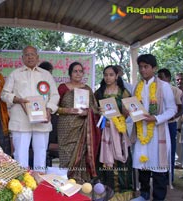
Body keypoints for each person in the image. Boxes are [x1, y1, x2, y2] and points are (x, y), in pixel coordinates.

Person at [1, 45, 59, 172]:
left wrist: (49, 110)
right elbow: (4, 94)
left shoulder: (46, 75)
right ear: (22, 58)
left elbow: (54, 95)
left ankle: (39, 185)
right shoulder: (15, 74)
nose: (30, 57)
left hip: (42, 120)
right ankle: (21, 187)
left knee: (41, 154)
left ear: (37, 57)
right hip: (21, 120)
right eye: (27, 54)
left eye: (32, 54)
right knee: (20, 156)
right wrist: (17, 99)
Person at [130, 54, 177, 201]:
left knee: (158, 170)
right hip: (141, 132)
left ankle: (158, 198)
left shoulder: (164, 86)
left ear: (154, 68)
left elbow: (172, 109)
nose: (143, 70)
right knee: (143, 167)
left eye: (146, 67)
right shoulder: (137, 87)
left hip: (157, 133)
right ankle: (144, 195)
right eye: (140, 67)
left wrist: (155, 118)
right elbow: (134, 107)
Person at [57, 61, 101, 184]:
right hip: (66, 128)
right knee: (67, 154)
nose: (78, 73)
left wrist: (88, 113)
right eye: (75, 71)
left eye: (80, 71)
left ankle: (81, 182)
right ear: (70, 73)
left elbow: (95, 109)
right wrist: (70, 110)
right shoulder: (63, 88)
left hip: (83, 127)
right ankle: (66, 182)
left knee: (82, 154)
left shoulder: (87, 89)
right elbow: (55, 108)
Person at [94, 65, 133, 200]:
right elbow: (93, 111)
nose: (108, 77)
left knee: (121, 160)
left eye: (111, 75)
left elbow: (129, 112)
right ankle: (105, 191)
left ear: (117, 76)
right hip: (104, 132)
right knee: (104, 161)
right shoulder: (99, 93)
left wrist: (125, 114)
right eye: (106, 75)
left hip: (119, 131)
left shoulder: (124, 92)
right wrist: (99, 113)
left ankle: (122, 193)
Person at [158, 68, 183, 183]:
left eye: (161, 77)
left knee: (170, 151)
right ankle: (159, 174)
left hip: (170, 125)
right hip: (157, 125)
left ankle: (170, 177)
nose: (159, 80)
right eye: (158, 77)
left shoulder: (175, 91)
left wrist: (171, 117)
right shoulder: (156, 90)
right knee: (159, 150)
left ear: (168, 78)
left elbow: (180, 109)